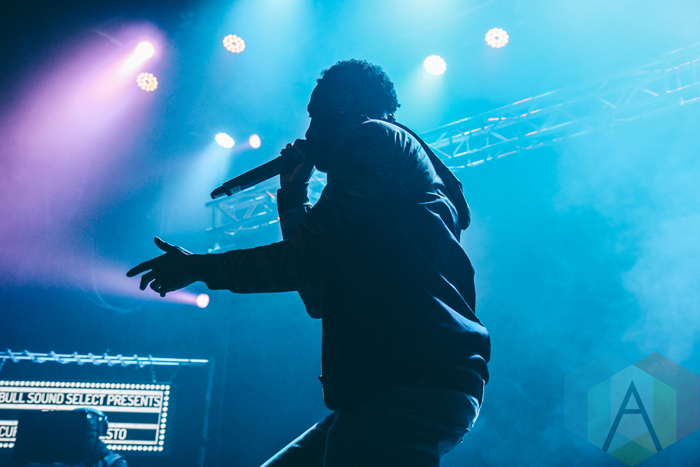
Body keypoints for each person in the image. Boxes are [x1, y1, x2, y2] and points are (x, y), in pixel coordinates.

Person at [127, 59, 490, 466]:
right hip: (402, 382)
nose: (309, 132)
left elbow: (305, 259)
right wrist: (292, 195)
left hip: (408, 380)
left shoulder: (374, 137)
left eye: (315, 116)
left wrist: (198, 267)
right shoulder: (399, 161)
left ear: (344, 106)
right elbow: (317, 289)